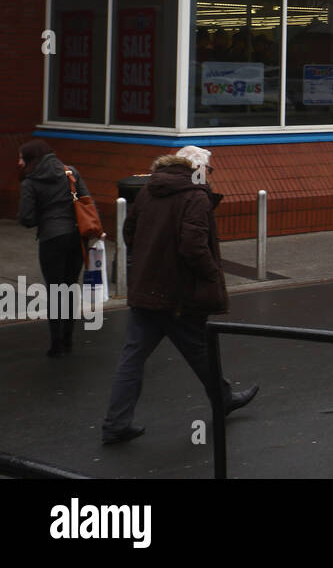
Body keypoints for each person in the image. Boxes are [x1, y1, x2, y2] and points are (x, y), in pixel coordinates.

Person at [101, 145, 257, 446]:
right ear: (197, 169)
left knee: (133, 357)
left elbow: (129, 231)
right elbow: (193, 246)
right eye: (209, 170)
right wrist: (212, 274)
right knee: (200, 350)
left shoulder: (149, 189)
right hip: (179, 295)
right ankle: (223, 399)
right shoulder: (195, 196)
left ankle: (115, 423)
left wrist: (148, 258)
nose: (210, 176)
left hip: (147, 289)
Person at [17, 140, 92, 357]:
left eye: (21, 157)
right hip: (77, 237)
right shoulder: (71, 172)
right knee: (70, 288)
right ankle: (68, 340)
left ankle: (56, 344)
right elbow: (87, 200)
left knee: (55, 290)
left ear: (32, 158)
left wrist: (43, 216)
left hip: (51, 239)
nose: (19, 162)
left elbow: (27, 218)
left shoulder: (31, 182)